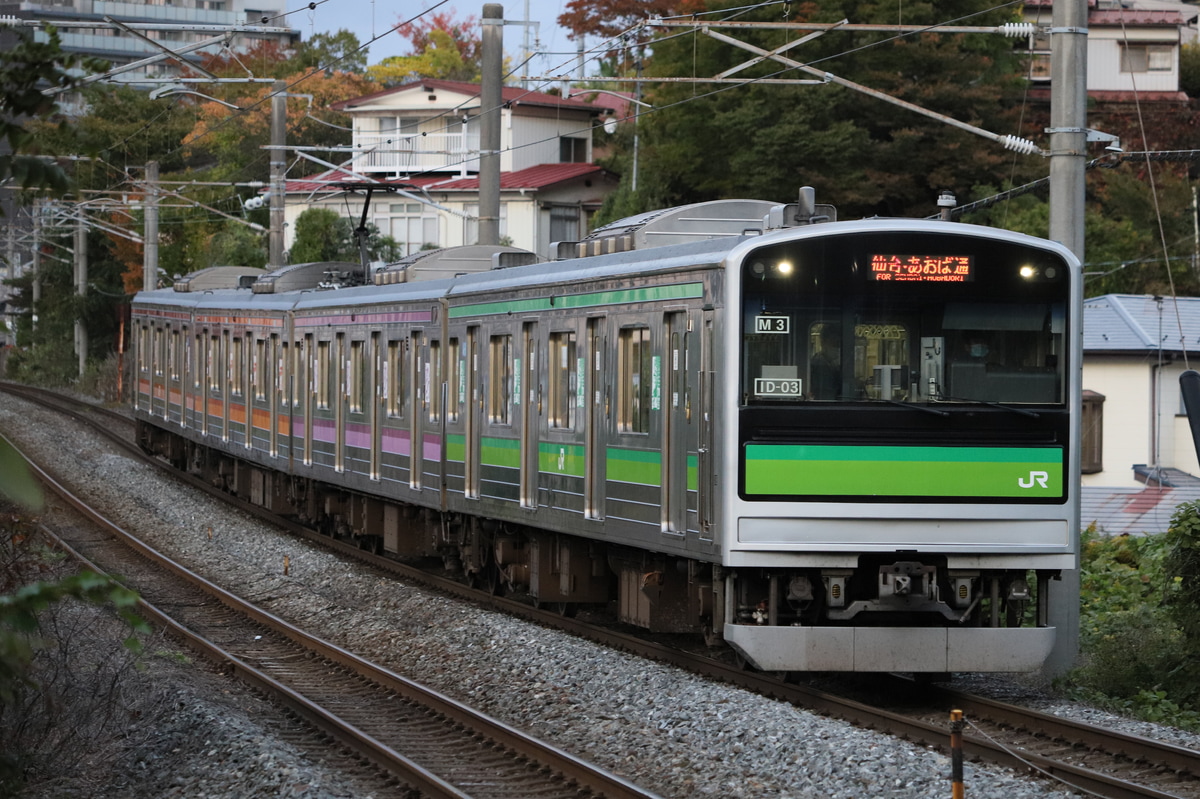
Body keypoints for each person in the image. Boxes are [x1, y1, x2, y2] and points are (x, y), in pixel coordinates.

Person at [808, 325, 842, 399]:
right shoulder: (820, 365)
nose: (837, 347)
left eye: (839, 344)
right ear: (823, 343)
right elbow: (827, 394)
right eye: (833, 343)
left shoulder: (831, 363)